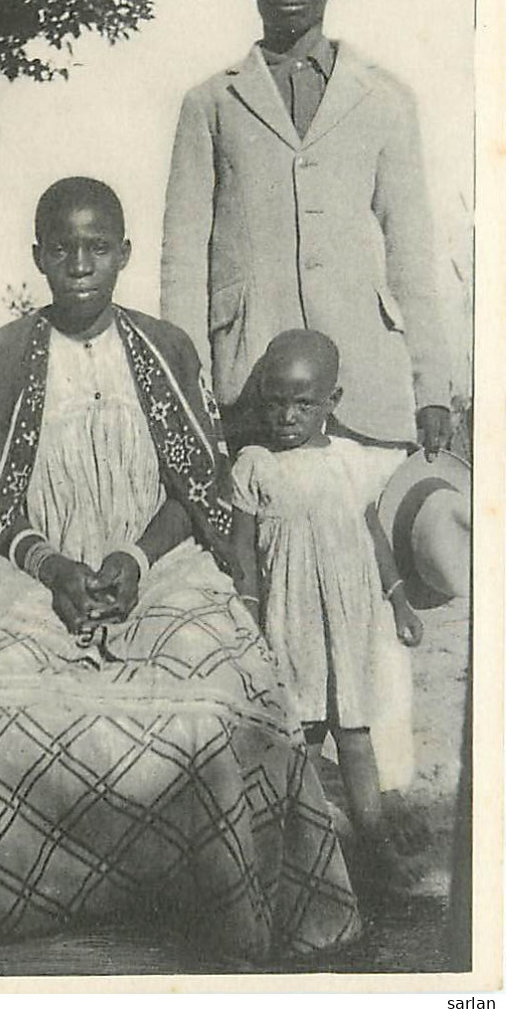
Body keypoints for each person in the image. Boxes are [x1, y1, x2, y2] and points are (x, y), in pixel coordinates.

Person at [0, 177, 360, 963]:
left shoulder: (165, 346)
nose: (79, 262)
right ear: (38, 256)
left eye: (97, 246)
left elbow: (195, 489)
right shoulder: (0, 357)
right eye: (62, 247)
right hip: (35, 570)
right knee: (8, 692)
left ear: (123, 252)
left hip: (159, 562)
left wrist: (131, 557)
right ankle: (30, 900)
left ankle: (217, 901)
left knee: (221, 689)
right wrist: (53, 567)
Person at [161, 0, 451, 459]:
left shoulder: (385, 98)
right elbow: (183, 263)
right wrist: (187, 389)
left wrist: (431, 385)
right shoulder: (210, 103)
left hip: (365, 382)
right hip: (253, 384)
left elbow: (411, 254)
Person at [230, 330, 424, 896]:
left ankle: (374, 843)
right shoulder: (254, 464)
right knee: (304, 737)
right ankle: (305, 851)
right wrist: (247, 611)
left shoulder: (350, 460)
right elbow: (242, 549)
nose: (287, 416)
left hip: (350, 619)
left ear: (331, 403)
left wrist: (400, 601)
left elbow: (373, 536)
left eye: (303, 404)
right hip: (292, 623)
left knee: (356, 735)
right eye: (275, 402)